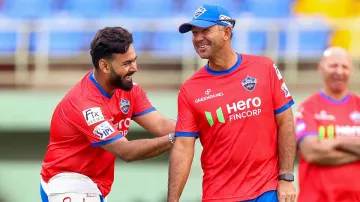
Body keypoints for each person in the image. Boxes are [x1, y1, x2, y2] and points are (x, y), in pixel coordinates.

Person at [167, 4, 297, 202]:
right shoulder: (189, 89)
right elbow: (183, 148)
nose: (198, 38)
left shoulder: (264, 68)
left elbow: (286, 122)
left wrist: (286, 177)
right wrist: (172, 200)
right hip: (218, 195)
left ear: (227, 32)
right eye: (194, 33)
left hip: (267, 191)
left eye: (205, 30)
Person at [40, 27, 176, 202]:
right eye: (126, 64)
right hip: (66, 183)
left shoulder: (129, 90)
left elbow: (161, 125)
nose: (135, 68)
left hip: (93, 186)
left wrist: (199, 124)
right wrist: (177, 137)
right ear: (104, 65)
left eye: (134, 60)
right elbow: (126, 152)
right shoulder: (85, 105)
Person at [295, 46, 360, 202]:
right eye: (333, 65)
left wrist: (335, 141)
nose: (339, 71)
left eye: (344, 66)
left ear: (351, 70)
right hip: (317, 198)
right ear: (321, 68)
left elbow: (321, 150)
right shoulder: (308, 107)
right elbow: (312, 153)